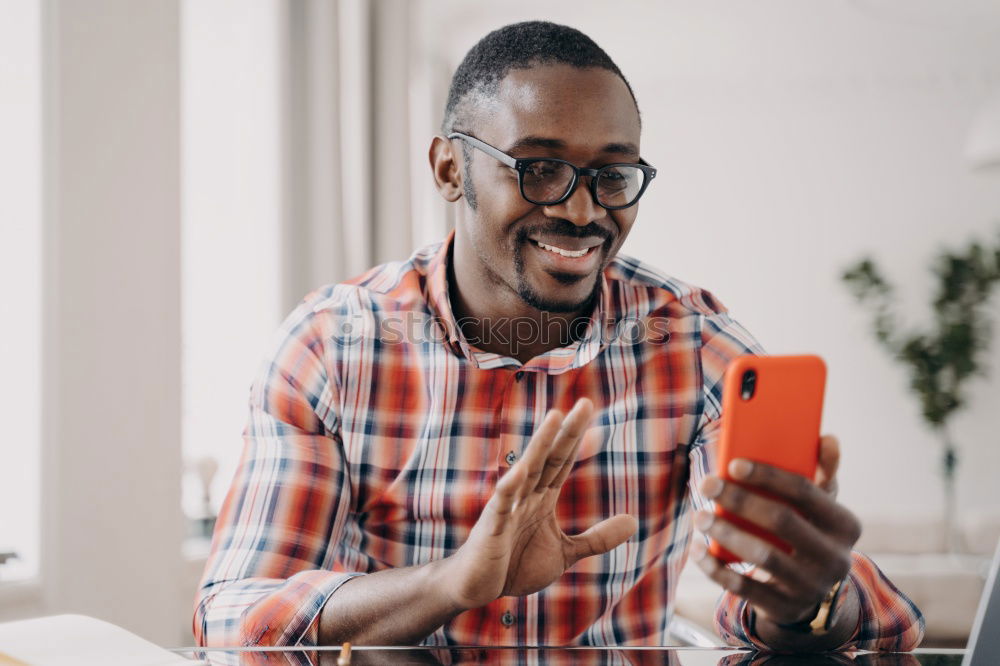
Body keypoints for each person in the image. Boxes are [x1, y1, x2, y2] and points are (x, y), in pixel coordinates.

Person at [193, 21, 923, 652]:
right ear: (451, 169)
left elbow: (877, 624)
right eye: (540, 169)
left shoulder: (697, 349)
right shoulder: (332, 346)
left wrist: (803, 601)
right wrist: (451, 584)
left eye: (612, 175)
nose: (581, 211)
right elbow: (234, 613)